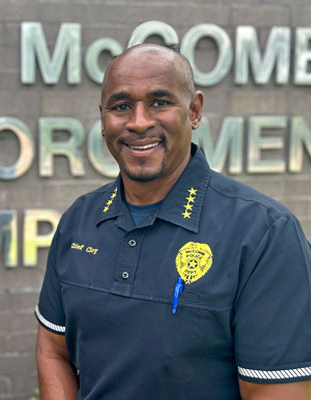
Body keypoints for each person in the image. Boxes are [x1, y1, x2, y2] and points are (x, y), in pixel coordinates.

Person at [35, 44, 311, 399]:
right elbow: (53, 350)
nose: (139, 122)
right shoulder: (79, 219)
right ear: (103, 118)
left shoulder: (264, 233)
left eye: (159, 102)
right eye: (121, 106)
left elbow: (276, 391)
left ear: (194, 111)